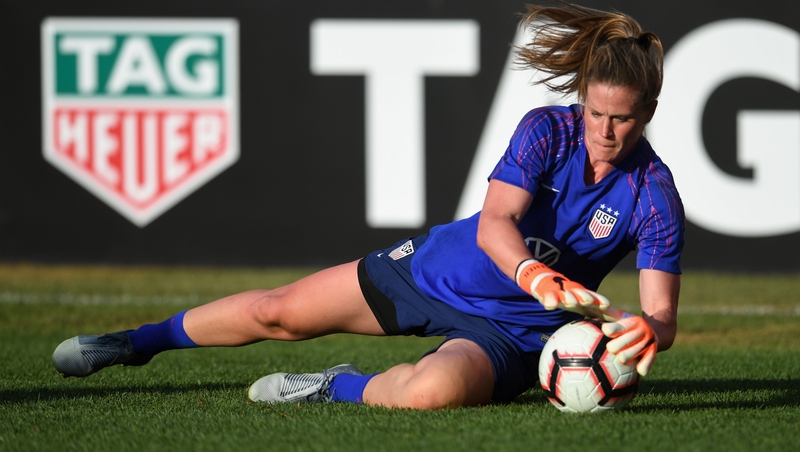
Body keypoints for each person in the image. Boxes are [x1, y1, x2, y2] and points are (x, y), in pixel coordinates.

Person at [52, 1, 683, 410]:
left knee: (430, 394)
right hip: (433, 271)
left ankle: (335, 385)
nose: (603, 129)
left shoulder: (653, 196)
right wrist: (532, 272)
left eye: (621, 119)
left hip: (513, 333)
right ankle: (135, 343)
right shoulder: (548, 129)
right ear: (582, 99)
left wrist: (643, 332)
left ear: (648, 112)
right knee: (279, 313)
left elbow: (661, 317)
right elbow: (496, 224)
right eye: (595, 112)